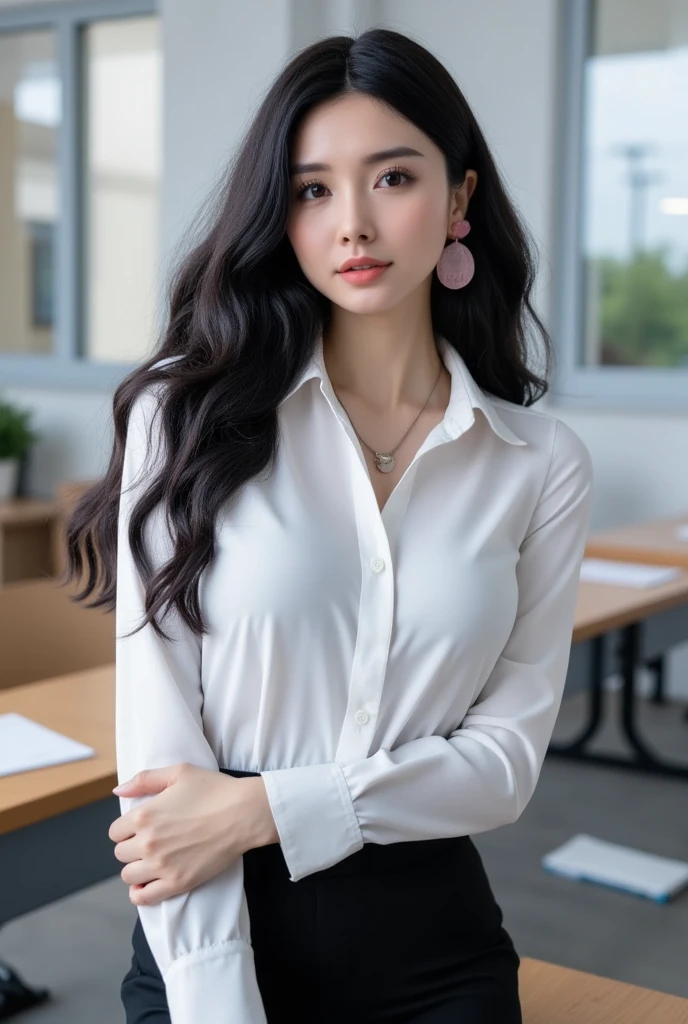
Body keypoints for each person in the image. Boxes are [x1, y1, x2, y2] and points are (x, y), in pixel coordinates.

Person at [64, 26, 593, 1024]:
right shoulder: (185, 420)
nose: (353, 223)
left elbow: (503, 768)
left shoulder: (540, 463)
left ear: (459, 199)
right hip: (213, 939)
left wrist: (263, 806)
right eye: (312, 189)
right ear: (282, 214)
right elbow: (165, 790)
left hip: (436, 954)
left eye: (392, 178)